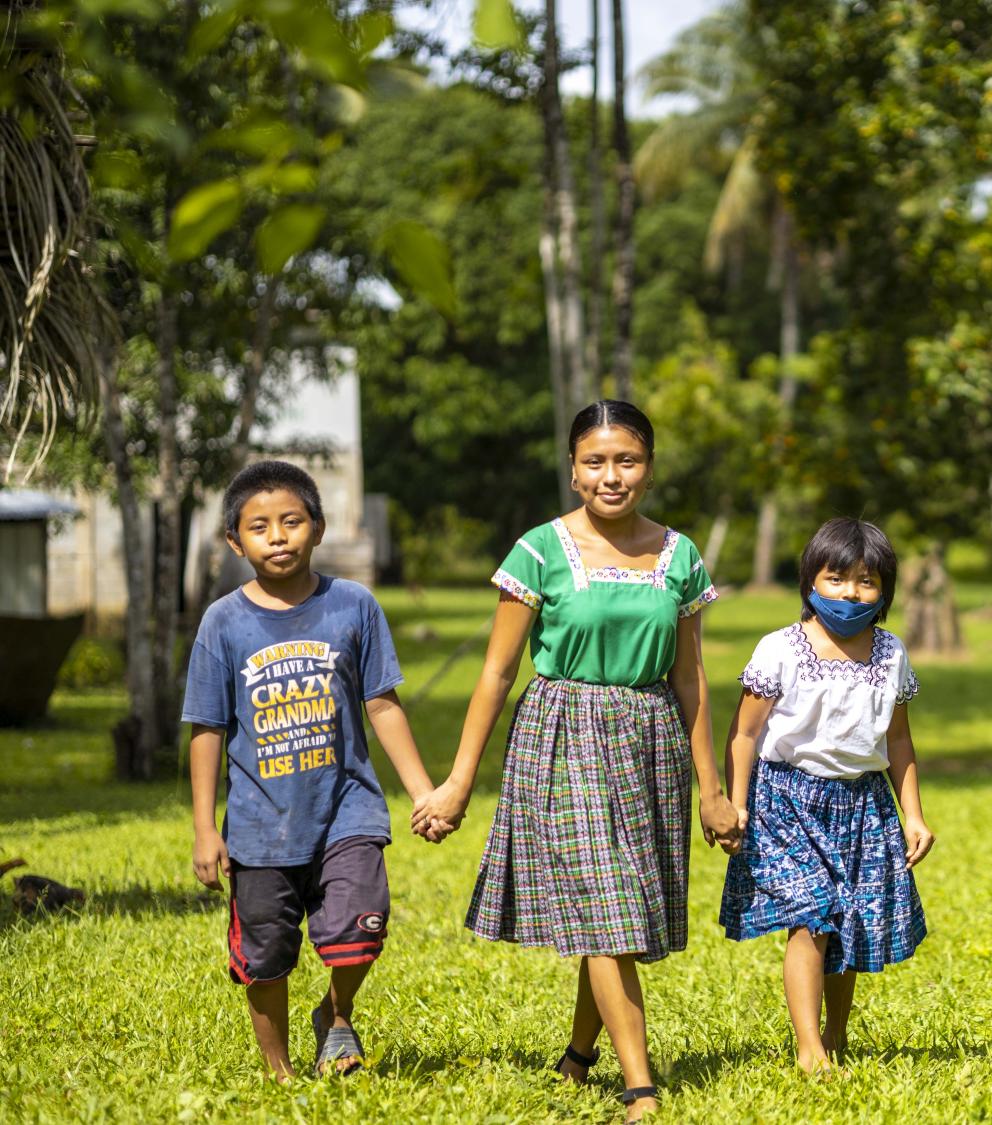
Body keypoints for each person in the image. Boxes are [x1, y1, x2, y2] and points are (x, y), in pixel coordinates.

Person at [411, 400, 739, 1124]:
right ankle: (641, 1088)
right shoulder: (538, 550)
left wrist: (712, 789)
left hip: (650, 735)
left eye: (627, 460)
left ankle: (578, 1057)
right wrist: (460, 780)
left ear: (648, 467)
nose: (611, 475)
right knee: (612, 905)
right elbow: (496, 673)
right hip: (563, 735)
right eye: (595, 461)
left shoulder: (678, 555)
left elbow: (690, 678)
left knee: (615, 910)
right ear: (572, 467)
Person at [182, 460, 440, 1080]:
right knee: (265, 956)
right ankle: (280, 1070)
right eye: (260, 526)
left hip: (346, 807)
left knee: (362, 927)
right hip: (258, 824)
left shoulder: (352, 605)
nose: (278, 536)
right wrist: (203, 828)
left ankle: (335, 1011)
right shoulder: (223, 622)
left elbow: (381, 702)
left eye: (292, 521)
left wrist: (423, 790)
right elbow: (207, 729)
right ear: (234, 541)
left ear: (318, 529)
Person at [718, 517, 936, 1074]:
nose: (849, 593)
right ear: (811, 580)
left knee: (853, 919)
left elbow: (900, 738)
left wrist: (913, 814)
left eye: (865, 582)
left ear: (884, 590)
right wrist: (735, 804)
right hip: (785, 800)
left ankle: (836, 1036)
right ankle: (810, 1050)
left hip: (863, 803)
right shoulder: (780, 650)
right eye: (836, 578)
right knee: (812, 915)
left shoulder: (890, 655)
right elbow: (743, 735)